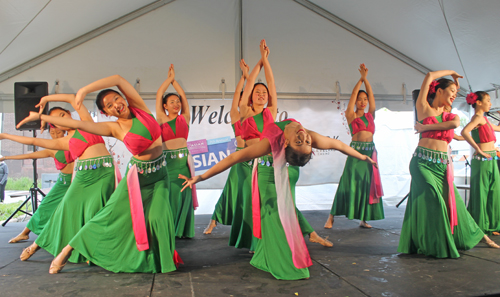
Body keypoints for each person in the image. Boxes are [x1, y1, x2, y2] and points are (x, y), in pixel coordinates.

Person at [18, 75, 180, 273]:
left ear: (123, 98)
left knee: (159, 217)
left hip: (160, 174)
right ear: (107, 113)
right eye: (109, 106)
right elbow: (80, 125)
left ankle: (160, 260)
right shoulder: (114, 128)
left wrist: (84, 90)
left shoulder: (140, 108)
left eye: (116, 99)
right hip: (138, 178)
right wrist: (41, 117)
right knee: (107, 215)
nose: (116, 105)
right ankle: (69, 249)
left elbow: (118, 79)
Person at [180, 118, 376, 280]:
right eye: (306, 142)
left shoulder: (271, 142)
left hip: (270, 175)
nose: (305, 137)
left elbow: (233, 158)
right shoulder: (307, 133)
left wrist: (200, 177)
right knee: (277, 216)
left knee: (276, 218)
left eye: (302, 142)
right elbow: (338, 145)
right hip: (275, 173)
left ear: (287, 143)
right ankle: (268, 254)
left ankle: (284, 261)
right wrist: (362, 156)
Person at [1, 96, 115, 263]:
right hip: (84, 178)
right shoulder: (65, 141)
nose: (61, 121)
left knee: (95, 214)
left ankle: (88, 251)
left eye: (62, 115)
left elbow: (72, 99)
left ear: (69, 113)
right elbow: (32, 141)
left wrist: (46, 98)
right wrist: (5, 135)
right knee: (64, 212)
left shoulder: (87, 124)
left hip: (105, 175)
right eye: (56, 122)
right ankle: (37, 245)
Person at [398, 70, 499, 259]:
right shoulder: (423, 108)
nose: (454, 94)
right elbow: (428, 76)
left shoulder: (451, 117)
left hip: (443, 166)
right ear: (438, 91)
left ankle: (480, 235)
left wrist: (425, 127)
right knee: (434, 200)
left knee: (455, 204)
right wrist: (451, 73)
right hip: (422, 163)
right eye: (451, 90)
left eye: (455, 92)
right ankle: (437, 243)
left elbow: (453, 127)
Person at [326, 64, 384, 229]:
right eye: (360, 99)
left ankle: (363, 219)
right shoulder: (350, 115)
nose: (363, 102)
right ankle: (331, 217)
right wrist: (360, 80)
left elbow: (372, 97)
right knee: (347, 182)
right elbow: (352, 95)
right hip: (356, 152)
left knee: (367, 184)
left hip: (370, 153)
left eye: (365, 100)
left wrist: (367, 81)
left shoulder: (370, 115)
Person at [204, 59, 249, 236]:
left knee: (247, 194)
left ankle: (245, 227)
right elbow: (237, 95)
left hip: (255, 159)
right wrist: (244, 77)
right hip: (240, 159)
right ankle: (214, 220)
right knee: (230, 191)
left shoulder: (258, 116)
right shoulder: (236, 116)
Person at [7, 126, 75, 242]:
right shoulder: (51, 148)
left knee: (75, 210)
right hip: (62, 182)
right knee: (45, 206)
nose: (55, 135)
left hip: (76, 180)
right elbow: (29, 155)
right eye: (52, 133)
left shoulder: (72, 142)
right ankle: (25, 233)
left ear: (64, 131)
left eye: (58, 132)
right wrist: (6, 157)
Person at [156, 64, 197, 238]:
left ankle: (182, 229)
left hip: (183, 161)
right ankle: (169, 227)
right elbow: (159, 94)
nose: (176, 104)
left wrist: (176, 82)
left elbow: (184, 97)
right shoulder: (161, 118)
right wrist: (169, 80)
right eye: (171, 102)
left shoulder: (185, 118)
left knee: (184, 190)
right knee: (170, 192)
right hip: (168, 162)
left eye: (177, 101)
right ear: (165, 106)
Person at [460, 91, 500, 236]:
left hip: (491, 158)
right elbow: (465, 132)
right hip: (482, 159)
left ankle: (492, 224)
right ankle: (480, 225)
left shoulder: (485, 119)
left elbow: (498, 128)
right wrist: (477, 148)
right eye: (488, 100)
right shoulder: (477, 117)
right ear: (478, 102)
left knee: (494, 191)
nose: (490, 103)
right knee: (482, 192)